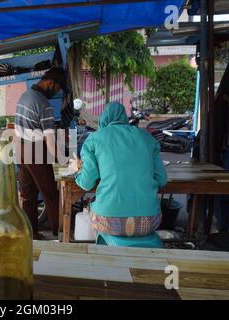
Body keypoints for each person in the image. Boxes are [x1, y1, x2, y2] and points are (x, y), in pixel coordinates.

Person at [75, 102, 167, 237]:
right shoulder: (147, 138)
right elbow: (162, 180)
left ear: (104, 118)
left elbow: (86, 182)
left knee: (90, 208)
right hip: (151, 220)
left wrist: (78, 172)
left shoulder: (94, 139)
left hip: (108, 221)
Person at [14, 67, 67, 239]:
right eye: (58, 88)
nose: (57, 93)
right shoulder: (45, 105)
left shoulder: (25, 95)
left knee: (28, 195)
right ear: (51, 83)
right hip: (35, 151)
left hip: (19, 148)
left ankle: (31, 233)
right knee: (51, 193)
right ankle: (59, 232)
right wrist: (63, 162)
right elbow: (50, 142)